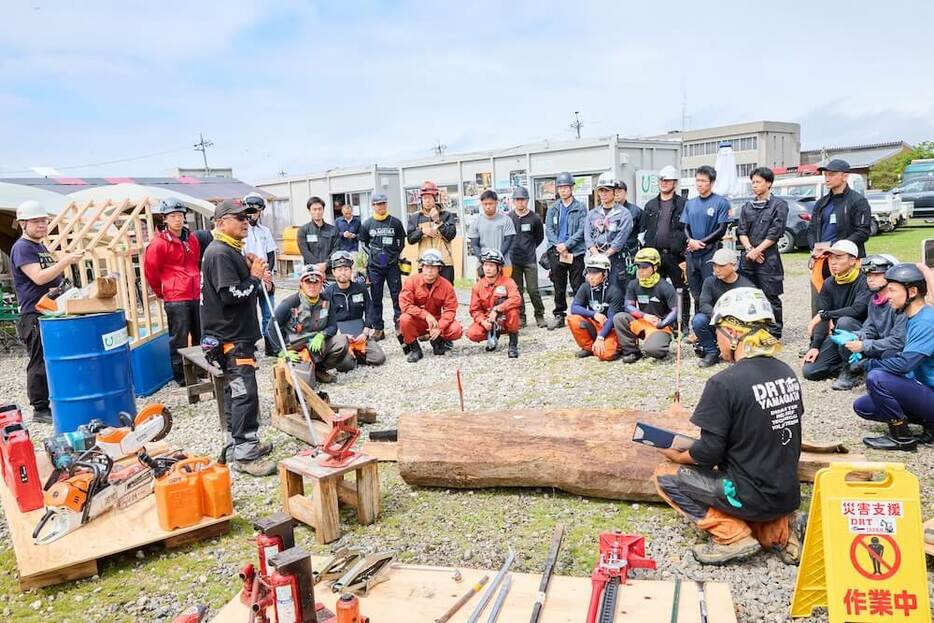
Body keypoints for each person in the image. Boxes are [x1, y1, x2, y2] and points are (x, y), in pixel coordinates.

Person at [652, 287, 803, 565]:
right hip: (786, 494)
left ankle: (733, 536)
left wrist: (678, 455)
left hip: (749, 495)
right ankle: (778, 532)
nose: (717, 342)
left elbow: (708, 454)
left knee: (666, 474)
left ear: (733, 333)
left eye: (717, 332)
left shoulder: (723, 383)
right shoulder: (787, 373)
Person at [199, 199, 274, 476]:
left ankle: (235, 443)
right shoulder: (220, 253)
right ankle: (245, 454)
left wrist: (248, 267)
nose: (246, 221)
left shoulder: (229, 250)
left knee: (236, 391)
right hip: (230, 336)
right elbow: (230, 295)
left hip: (232, 333)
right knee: (245, 393)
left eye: (248, 216)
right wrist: (254, 278)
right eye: (239, 217)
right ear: (220, 223)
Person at [9, 200, 85, 423]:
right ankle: (40, 408)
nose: (42, 225)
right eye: (36, 221)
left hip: (49, 311)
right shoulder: (22, 248)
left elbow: (49, 279)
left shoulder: (40, 247)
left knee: (52, 358)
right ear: (23, 223)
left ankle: (54, 401)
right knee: (39, 361)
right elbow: (39, 277)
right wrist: (66, 260)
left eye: (44, 221)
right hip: (34, 314)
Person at [855, 263, 934, 451]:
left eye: (892, 290)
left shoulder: (926, 321)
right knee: (863, 406)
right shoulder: (911, 317)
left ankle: (902, 439)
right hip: (925, 389)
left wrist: (869, 364)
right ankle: (930, 424)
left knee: (877, 378)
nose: (887, 296)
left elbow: (906, 363)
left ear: (912, 291)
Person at [143, 197, 202, 385]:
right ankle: (181, 376)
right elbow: (151, 271)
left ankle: (201, 369)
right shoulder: (158, 243)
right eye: (173, 216)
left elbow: (196, 263)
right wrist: (162, 292)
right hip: (176, 295)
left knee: (201, 334)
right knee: (179, 338)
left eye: (180, 215)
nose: (178, 219)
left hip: (194, 293)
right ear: (165, 219)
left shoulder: (191, 239)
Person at [828, 254, 906, 391]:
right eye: (868, 275)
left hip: (898, 351)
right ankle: (851, 371)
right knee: (845, 325)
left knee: (891, 354)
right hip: (880, 345)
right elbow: (870, 328)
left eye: (877, 275)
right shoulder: (874, 300)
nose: (870, 279)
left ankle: (874, 371)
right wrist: (855, 337)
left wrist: (864, 345)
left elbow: (899, 341)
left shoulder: (901, 303)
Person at [806, 159, 872, 314]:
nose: (827, 178)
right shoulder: (821, 203)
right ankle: (819, 332)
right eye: (825, 174)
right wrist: (813, 248)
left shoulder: (858, 201)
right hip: (822, 259)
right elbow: (811, 229)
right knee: (820, 298)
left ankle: (845, 331)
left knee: (846, 299)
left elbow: (863, 231)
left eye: (832, 174)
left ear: (845, 176)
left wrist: (839, 249)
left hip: (847, 259)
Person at [268, 265, 350, 384]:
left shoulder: (326, 301)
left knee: (341, 341)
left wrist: (322, 335)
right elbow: (271, 327)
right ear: (301, 283)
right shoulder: (290, 303)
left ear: (321, 283)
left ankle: (319, 370)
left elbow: (333, 326)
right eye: (308, 282)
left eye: (316, 282)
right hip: (296, 349)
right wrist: (281, 351)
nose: (312, 286)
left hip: (315, 345)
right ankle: (303, 370)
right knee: (307, 384)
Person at [802, 240, 871, 382]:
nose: (833, 262)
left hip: (861, 336)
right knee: (810, 371)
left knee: (845, 321)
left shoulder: (864, 281)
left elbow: (857, 310)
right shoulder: (828, 283)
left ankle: (850, 371)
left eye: (838, 258)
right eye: (831, 258)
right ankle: (852, 365)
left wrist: (825, 315)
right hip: (839, 337)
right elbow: (823, 314)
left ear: (853, 261)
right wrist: (815, 346)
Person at [736, 167, 788, 338]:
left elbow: (776, 232)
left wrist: (758, 250)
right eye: (753, 182)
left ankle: (773, 330)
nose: (755, 185)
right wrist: (750, 250)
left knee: (770, 294)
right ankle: (752, 327)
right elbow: (741, 231)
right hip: (749, 256)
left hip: (768, 257)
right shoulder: (747, 207)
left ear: (769, 183)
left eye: (758, 182)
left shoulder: (778, 205)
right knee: (749, 294)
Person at [641, 165, 691, 333]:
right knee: (655, 289)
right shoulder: (650, 205)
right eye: (662, 180)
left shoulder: (684, 204)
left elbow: (689, 230)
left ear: (675, 183)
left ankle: (682, 324)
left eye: (668, 180)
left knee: (681, 290)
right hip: (655, 256)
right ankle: (661, 322)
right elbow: (644, 230)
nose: (664, 183)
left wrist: (686, 255)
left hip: (677, 256)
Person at [681, 166, 731, 317]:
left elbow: (722, 228)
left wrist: (700, 242)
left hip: (711, 253)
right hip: (692, 254)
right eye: (697, 180)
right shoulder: (690, 203)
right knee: (696, 293)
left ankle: (715, 326)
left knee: (711, 290)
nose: (700, 184)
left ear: (712, 182)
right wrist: (690, 240)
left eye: (703, 181)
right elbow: (685, 226)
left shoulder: (721, 202)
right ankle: (698, 327)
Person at [692, 249, 755, 368]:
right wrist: (720, 318)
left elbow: (751, 312)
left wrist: (733, 322)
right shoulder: (709, 281)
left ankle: (738, 353)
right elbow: (704, 304)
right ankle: (712, 352)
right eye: (714, 265)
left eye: (721, 265)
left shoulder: (746, 286)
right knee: (698, 320)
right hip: (716, 320)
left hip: (738, 325)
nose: (716, 269)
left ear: (734, 266)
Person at [614, 247, 678, 363]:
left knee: (653, 351)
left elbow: (675, 311)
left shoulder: (665, 287)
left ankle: (659, 344)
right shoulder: (633, 284)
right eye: (639, 267)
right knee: (619, 317)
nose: (640, 270)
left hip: (660, 326)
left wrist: (661, 323)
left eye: (645, 267)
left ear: (655, 267)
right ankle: (632, 351)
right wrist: (644, 316)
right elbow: (628, 306)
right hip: (643, 321)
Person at [398, 249, 463, 363]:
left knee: (456, 329)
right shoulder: (411, 282)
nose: (429, 271)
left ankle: (437, 341)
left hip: (436, 321)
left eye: (433, 267)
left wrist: (440, 327)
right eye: (427, 266)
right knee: (404, 319)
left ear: (439, 269)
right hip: (418, 321)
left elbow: (450, 310)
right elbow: (405, 305)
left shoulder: (446, 285)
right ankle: (415, 349)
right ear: (422, 267)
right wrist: (425, 315)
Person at [326, 251, 385, 370]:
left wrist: (365, 332)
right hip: (340, 334)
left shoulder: (361, 289)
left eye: (346, 269)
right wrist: (339, 336)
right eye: (339, 269)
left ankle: (357, 354)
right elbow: (325, 319)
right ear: (333, 272)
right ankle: (352, 356)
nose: (343, 272)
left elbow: (370, 310)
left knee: (379, 358)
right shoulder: (328, 293)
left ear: (351, 270)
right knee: (345, 365)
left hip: (360, 332)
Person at [358, 193, 406, 340]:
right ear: (373, 206)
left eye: (383, 203)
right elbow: (363, 243)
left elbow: (402, 241)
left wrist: (394, 254)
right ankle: (378, 328)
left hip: (392, 265)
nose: (381, 206)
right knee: (376, 297)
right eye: (378, 204)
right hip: (375, 267)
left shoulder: (395, 222)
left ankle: (400, 325)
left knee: (397, 296)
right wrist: (373, 254)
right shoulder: (367, 224)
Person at [544, 172, 587, 330]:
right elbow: (549, 229)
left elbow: (582, 230)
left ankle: (579, 314)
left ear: (572, 188)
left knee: (578, 285)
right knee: (558, 285)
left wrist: (567, 245)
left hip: (575, 253)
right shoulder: (553, 208)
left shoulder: (580, 208)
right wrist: (558, 245)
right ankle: (559, 315)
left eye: (566, 187)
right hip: (557, 252)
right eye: (560, 187)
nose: (563, 190)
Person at [567, 254, 624, 361]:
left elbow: (612, 319)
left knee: (606, 355)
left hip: (610, 328)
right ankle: (588, 348)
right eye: (589, 272)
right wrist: (594, 314)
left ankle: (615, 345)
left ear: (605, 273)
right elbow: (574, 308)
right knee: (573, 319)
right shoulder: (585, 287)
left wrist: (601, 337)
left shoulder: (614, 291)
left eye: (595, 272)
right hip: (595, 323)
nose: (590, 276)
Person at [466, 249, 521, 358]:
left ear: (499, 267)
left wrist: (497, 309)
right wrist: (483, 322)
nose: (487, 268)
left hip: (504, 318)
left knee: (513, 312)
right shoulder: (478, 286)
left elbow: (516, 299)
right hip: (488, 319)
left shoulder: (508, 282)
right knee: (473, 333)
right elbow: (474, 310)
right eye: (485, 265)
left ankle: (513, 344)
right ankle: (493, 337)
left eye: (491, 265)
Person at [585, 170, 633, 293]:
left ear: (614, 191)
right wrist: (596, 255)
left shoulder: (624, 214)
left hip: (615, 258)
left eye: (607, 190)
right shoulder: (592, 213)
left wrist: (605, 256)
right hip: (595, 256)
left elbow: (621, 239)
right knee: (595, 289)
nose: (603, 193)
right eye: (601, 190)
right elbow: (588, 236)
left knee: (616, 290)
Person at [242, 193, 278, 357]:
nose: (253, 215)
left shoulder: (265, 231)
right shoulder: (242, 231)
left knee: (269, 312)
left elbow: (271, 254)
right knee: (249, 313)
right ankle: (250, 345)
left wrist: (268, 273)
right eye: (250, 211)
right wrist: (257, 273)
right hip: (249, 276)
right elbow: (242, 255)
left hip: (266, 275)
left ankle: (270, 342)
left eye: (256, 211)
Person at [508, 186, 546, 328]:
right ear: (513, 201)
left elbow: (539, 237)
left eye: (523, 200)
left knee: (533, 290)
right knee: (517, 290)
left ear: (527, 201)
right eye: (517, 200)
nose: (520, 202)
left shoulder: (535, 218)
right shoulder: (509, 218)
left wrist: (530, 247)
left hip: (529, 259)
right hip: (513, 260)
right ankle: (521, 317)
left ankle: (539, 315)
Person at [406, 180, 458, 284]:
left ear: (435, 198)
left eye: (430, 198)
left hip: (444, 262)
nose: (427, 201)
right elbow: (410, 239)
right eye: (424, 198)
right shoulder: (415, 217)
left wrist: (438, 221)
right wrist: (422, 231)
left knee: (446, 293)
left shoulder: (446, 215)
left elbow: (451, 235)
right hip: (425, 263)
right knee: (425, 294)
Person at [468, 190, 516, 278]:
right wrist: (484, 260)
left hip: (504, 263)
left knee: (503, 290)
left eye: (490, 203)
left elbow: (508, 241)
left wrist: (496, 258)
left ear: (496, 203)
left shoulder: (506, 220)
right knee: (483, 290)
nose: (488, 206)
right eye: (485, 204)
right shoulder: (476, 222)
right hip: (483, 264)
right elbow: (474, 245)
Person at [297, 196, 338, 274]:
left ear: (323, 210)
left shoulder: (333, 230)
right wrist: (317, 266)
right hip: (310, 271)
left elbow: (336, 249)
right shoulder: (303, 230)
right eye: (314, 209)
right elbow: (304, 251)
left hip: (330, 270)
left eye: (320, 209)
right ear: (309, 211)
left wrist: (326, 264)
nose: (317, 212)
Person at [615, 180, 643, 287]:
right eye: (614, 191)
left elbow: (642, 233)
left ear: (626, 192)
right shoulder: (609, 211)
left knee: (628, 286)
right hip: (612, 254)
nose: (616, 193)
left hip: (629, 254)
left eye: (619, 191)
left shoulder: (636, 211)